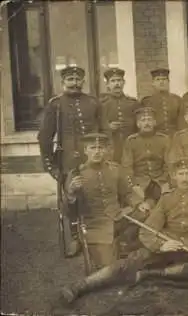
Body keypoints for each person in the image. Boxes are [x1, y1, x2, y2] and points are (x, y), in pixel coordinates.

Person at [59, 158, 188, 305]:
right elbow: (146, 230)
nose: (185, 178)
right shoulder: (166, 198)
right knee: (124, 264)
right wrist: (161, 245)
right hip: (166, 245)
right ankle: (79, 286)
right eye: (181, 174)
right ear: (174, 176)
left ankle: (150, 274)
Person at [37, 65, 103, 256]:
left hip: (93, 158)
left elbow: (103, 131)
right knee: (72, 198)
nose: (74, 83)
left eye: (78, 79)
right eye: (70, 80)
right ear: (63, 82)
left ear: (83, 81)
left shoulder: (92, 102)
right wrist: (51, 166)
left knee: (97, 194)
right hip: (68, 162)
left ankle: (95, 235)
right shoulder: (55, 104)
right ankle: (75, 237)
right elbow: (44, 137)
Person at [63, 133, 149, 270]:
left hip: (118, 217)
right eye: (93, 148)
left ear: (106, 150)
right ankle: (115, 249)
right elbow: (69, 212)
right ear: (85, 150)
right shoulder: (76, 174)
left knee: (147, 214)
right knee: (110, 267)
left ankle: (123, 243)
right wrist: (71, 193)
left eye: (101, 148)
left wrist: (138, 203)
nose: (97, 151)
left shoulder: (115, 169)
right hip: (94, 224)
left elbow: (127, 193)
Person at [120, 107, 172, 255]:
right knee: (141, 211)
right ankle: (131, 242)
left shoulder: (164, 139)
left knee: (165, 210)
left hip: (160, 181)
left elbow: (169, 164)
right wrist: (134, 186)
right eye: (143, 120)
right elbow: (126, 167)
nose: (147, 123)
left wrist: (166, 182)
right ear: (138, 124)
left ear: (155, 122)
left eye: (149, 120)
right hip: (140, 183)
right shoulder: (131, 141)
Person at [99, 67, 139, 163]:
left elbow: (139, 125)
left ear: (123, 82)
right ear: (107, 84)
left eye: (119, 80)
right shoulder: (101, 104)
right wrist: (108, 127)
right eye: (113, 81)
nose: (117, 84)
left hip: (131, 146)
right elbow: (96, 126)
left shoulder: (133, 103)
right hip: (111, 147)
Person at [140, 68, 183, 137]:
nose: (161, 82)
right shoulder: (146, 101)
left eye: (164, 79)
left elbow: (182, 121)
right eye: (158, 80)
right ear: (153, 83)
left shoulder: (177, 99)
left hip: (174, 136)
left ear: (168, 82)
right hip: (155, 137)